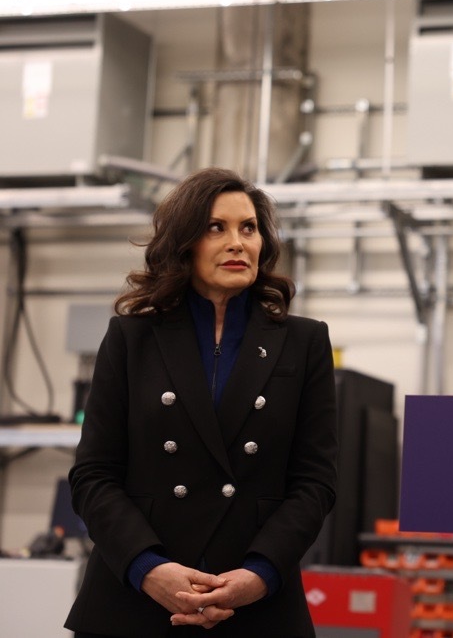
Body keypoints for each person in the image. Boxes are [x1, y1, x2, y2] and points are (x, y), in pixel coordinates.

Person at [65, 168, 338, 637]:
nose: (237, 242)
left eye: (248, 228)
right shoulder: (132, 339)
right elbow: (93, 476)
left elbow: (315, 482)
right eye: (217, 228)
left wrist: (260, 574)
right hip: (136, 601)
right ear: (184, 243)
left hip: (256, 604)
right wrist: (148, 568)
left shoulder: (305, 342)